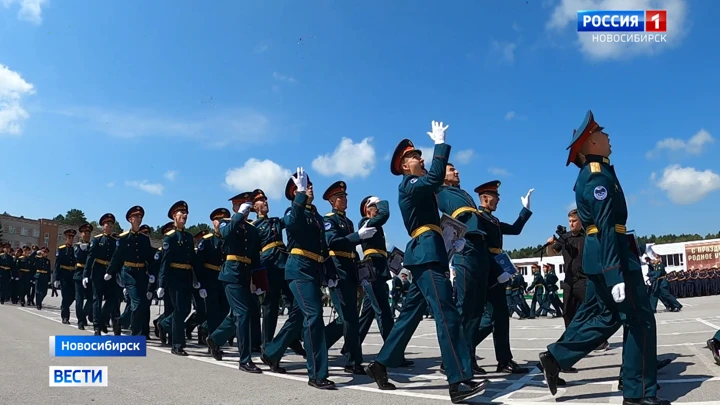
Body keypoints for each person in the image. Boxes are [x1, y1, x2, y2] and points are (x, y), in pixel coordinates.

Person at [538, 110, 669, 405]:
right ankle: (639, 393)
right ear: (589, 144)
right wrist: (614, 272)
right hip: (614, 254)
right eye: (601, 133)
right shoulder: (597, 175)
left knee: (607, 316)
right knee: (640, 320)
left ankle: (556, 356)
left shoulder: (598, 171)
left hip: (602, 253)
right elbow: (607, 224)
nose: (607, 137)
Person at [364, 121, 488, 403]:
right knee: (447, 313)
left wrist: (451, 239)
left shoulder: (419, 187)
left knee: (409, 316)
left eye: (420, 154)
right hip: (426, 253)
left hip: (430, 250)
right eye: (413, 156)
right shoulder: (410, 184)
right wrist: (440, 146)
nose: (419, 157)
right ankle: (458, 380)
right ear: (404, 167)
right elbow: (434, 179)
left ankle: (380, 364)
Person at [261, 169, 337, 389]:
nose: (310, 187)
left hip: (313, 270)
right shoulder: (293, 210)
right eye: (305, 185)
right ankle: (317, 374)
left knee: (298, 317)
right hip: (299, 270)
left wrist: (330, 273)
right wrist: (300, 195)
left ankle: (272, 353)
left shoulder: (316, 216)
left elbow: (323, 247)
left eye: (310, 185)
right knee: (314, 317)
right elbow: (292, 223)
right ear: (295, 191)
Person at [54, 229, 78, 324]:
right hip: (64, 274)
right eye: (69, 237)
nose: (71, 239)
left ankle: (64, 306)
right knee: (65, 296)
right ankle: (65, 317)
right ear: (66, 238)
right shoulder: (61, 249)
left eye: (72, 237)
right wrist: (56, 278)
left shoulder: (75, 249)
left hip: (72, 274)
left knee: (72, 296)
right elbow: (57, 264)